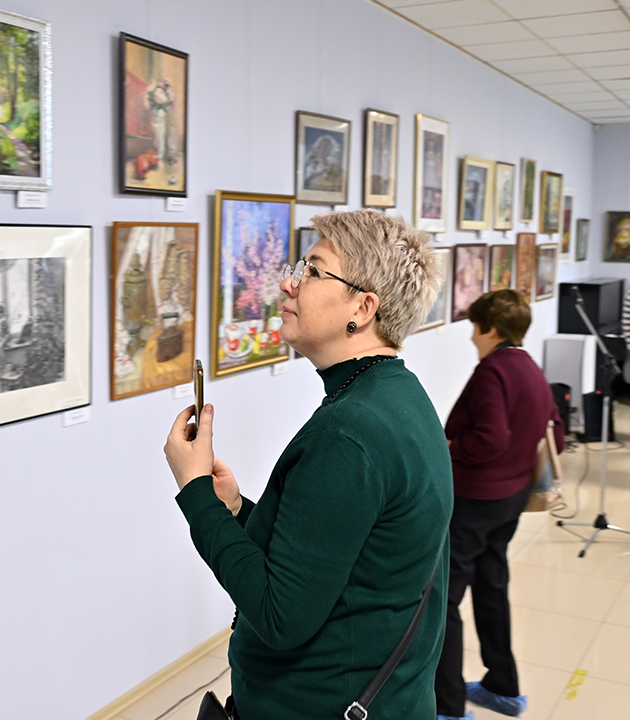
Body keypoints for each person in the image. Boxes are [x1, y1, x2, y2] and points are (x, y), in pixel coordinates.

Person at [164, 210, 453, 720]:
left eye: (314, 271)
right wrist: (233, 509)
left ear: (362, 308)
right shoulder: (397, 396)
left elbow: (279, 615)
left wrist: (195, 494)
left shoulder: (349, 433)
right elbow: (329, 557)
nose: (287, 282)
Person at [435, 289, 564, 720]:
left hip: (473, 502)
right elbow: (556, 434)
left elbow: (490, 438)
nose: (471, 337)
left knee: (443, 600)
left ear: (490, 328)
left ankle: (449, 706)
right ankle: (503, 688)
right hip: (510, 501)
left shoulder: (492, 371)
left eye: (474, 327)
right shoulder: (530, 368)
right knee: (492, 587)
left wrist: (448, 447)